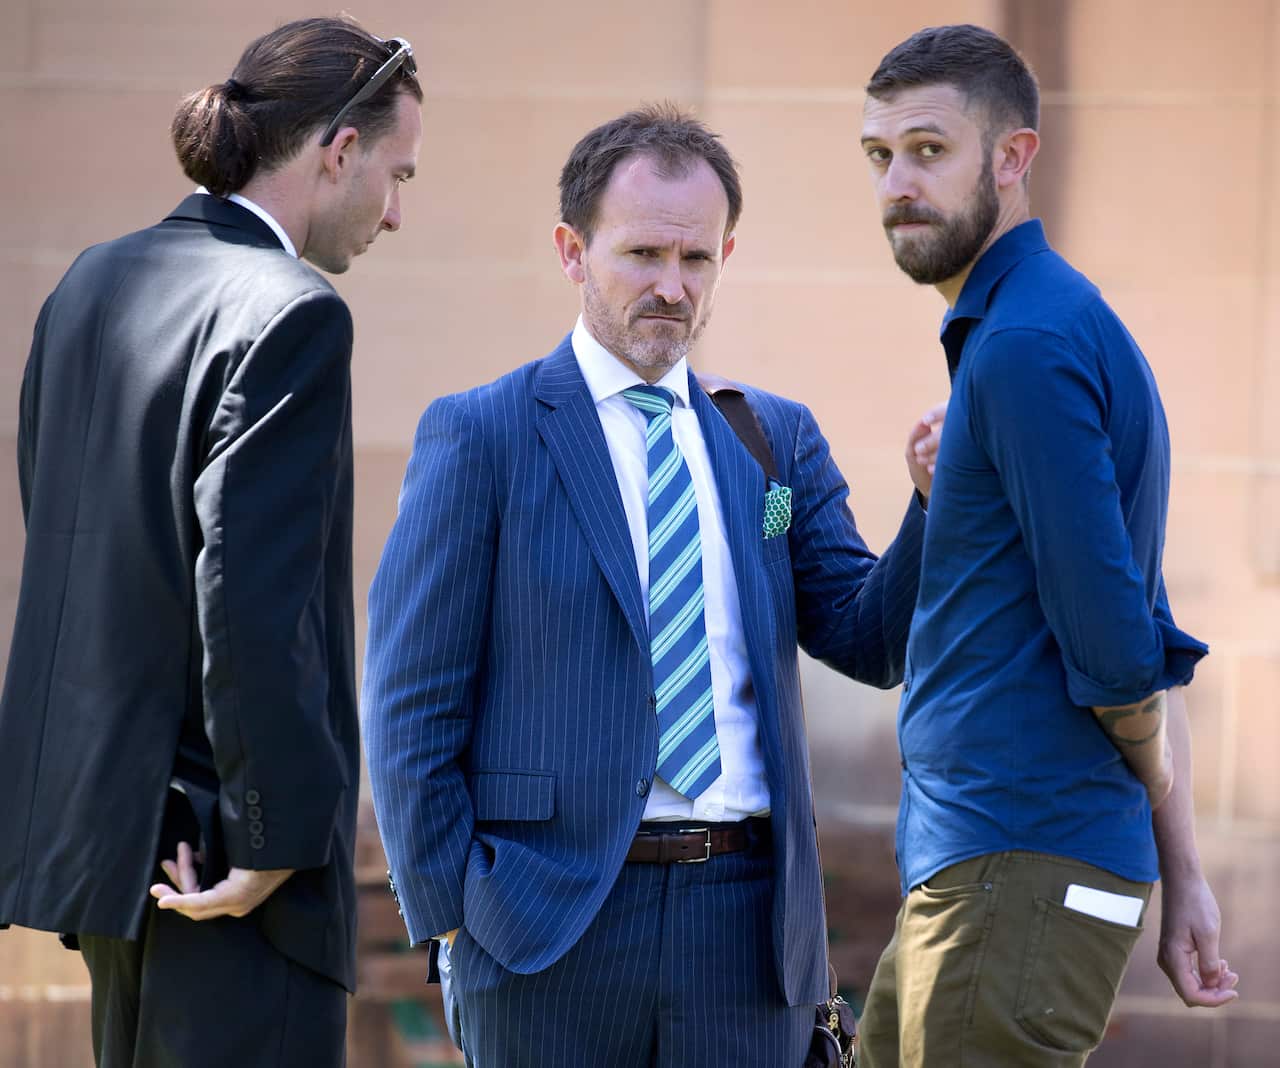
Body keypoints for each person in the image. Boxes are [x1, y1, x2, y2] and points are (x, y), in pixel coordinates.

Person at [362, 103, 943, 1067]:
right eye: (642, 255)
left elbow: (866, 637)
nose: (671, 287)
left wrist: (933, 505)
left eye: (697, 261)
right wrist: (451, 916)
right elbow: (409, 702)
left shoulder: (770, 441)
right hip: (545, 930)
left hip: (745, 931)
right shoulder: (484, 434)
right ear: (571, 250)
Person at [0, 16, 422, 1067]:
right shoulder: (293, 312)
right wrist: (273, 846)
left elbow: (61, 532)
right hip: (227, 874)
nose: (397, 213)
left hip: (100, 856)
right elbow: (251, 595)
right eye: (396, 173)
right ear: (338, 152)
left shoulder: (87, 282)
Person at [855, 23, 1239, 1067]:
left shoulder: (1023, 345)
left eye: (928, 150)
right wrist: (1181, 867)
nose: (897, 183)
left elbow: (1119, 648)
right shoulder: (1027, 334)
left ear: (1011, 157)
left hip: (1012, 868)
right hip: (985, 867)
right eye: (879, 156)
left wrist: (1157, 800)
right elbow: (1128, 625)